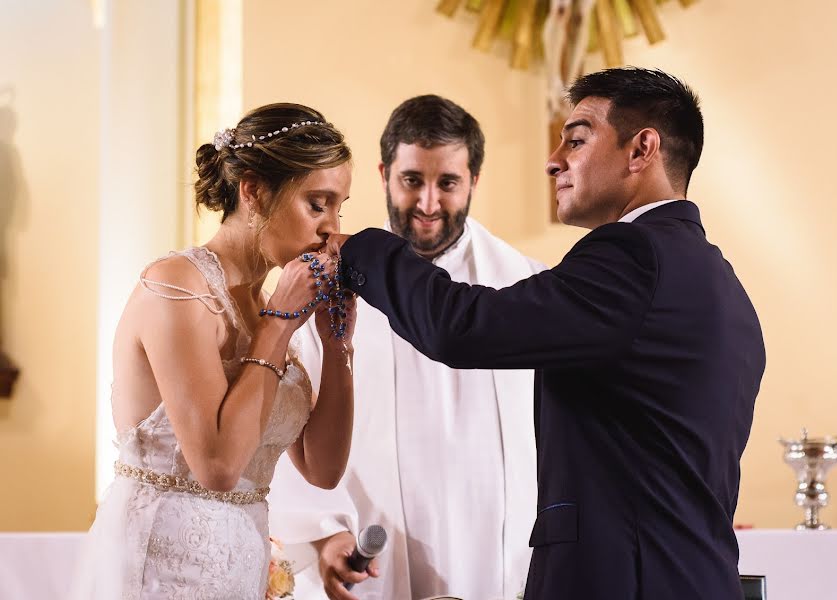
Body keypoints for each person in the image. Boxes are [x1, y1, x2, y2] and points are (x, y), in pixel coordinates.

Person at [326, 68, 766, 599]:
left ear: (641, 149)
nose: (553, 160)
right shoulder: (724, 284)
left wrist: (357, 251)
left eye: (577, 139)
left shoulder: (632, 257)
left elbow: (459, 328)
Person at [71, 103, 358, 599]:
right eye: (317, 204)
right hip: (159, 568)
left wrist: (338, 349)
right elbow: (219, 467)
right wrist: (279, 325)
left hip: (237, 571)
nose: (331, 227)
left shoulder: (266, 304)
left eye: (340, 207)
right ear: (253, 191)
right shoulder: (176, 286)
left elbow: (323, 470)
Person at [269, 95, 544, 600]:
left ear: (475, 182)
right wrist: (326, 533)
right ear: (383, 174)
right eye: (412, 180)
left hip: (498, 555)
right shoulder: (325, 282)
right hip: (376, 549)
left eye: (449, 183)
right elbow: (286, 418)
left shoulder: (527, 286)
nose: (428, 204)